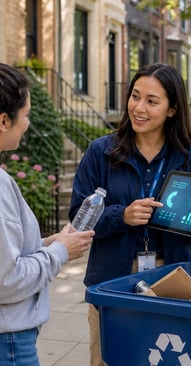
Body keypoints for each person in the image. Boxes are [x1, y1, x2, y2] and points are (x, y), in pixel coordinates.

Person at [69, 63, 191, 366]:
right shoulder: (101, 152)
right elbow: (77, 218)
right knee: (108, 359)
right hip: (113, 276)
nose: (139, 107)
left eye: (152, 101)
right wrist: (120, 216)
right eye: (135, 96)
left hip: (174, 275)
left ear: (172, 109)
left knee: (168, 358)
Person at [0, 62, 94, 366]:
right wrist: (59, 253)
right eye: (26, 115)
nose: (28, 123)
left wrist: (44, 244)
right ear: (4, 120)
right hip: (9, 339)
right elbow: (7, 281)